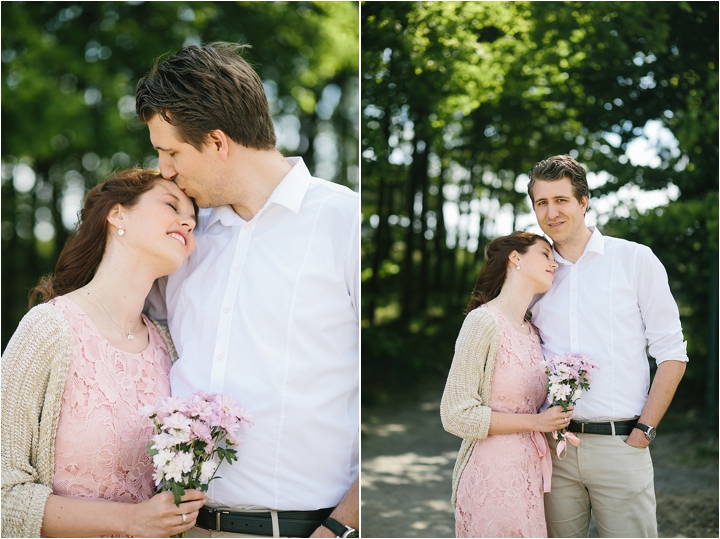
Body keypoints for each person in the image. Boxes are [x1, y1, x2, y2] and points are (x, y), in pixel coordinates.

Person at [136, 42, 359, 539]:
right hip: (185, 528)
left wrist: (343, 528)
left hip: (308, 530)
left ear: (218, 142)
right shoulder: (181, 238)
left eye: (170, 151)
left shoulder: (344, 221)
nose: (165, 170)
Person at [1, 168, 207, 537]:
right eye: (171, 205)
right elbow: (4, 495)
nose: (187, 224)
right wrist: (131, 522)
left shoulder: (168, 346)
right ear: (117, 214)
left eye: (193, 221)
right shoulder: (47, 330)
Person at [527, 154, 688, 538]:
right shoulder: (536, 272)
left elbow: (672, 352)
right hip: (554, 449)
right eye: (542, 203)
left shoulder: (634, 259)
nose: (552, 212)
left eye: (561, 200)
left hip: (622, 444)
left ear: (583, 202)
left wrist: (644, 430)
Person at [441, 231, 573, 538]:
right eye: (545, 255)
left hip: (530, 473)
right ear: (516, 258)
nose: (554, 264)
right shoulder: (483, 322)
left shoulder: (533, 332)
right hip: (492, 476)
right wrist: (537, 421)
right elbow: (454, 414)